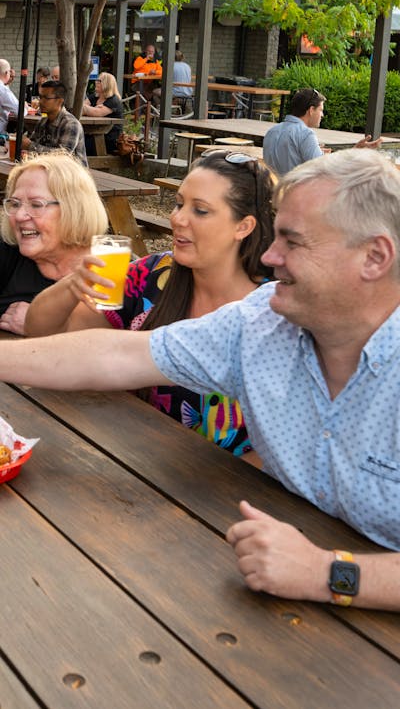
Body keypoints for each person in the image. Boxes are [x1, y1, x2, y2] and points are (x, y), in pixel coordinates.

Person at [3, 148, 400, 610]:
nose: (271, 256)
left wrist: (327, 573)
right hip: (265, 590)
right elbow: (112, 354)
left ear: (374, 257)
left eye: (294, 241)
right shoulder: (262, 322)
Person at [25, 150, 275, 459]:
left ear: (244, 226)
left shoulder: (273, 310)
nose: (178, 219)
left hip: (223, 493)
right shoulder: (151, 273)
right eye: (179, 203)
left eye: (200, 210)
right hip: (127, 462)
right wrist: (71, 286)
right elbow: (46, 336)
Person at [0, 152, 108, 335]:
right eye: (15, 204)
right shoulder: (7, 252)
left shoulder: (115, 267)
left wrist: (39, 325)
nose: (19, 215)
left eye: (35, 205)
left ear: (73, 209)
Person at [263, 87, 380, 176]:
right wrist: (355, 151)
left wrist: (317, 152)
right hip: (298, 200)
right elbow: (325, 171)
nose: (322, 115)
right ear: (311, 110)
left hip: (274, 195)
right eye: (321, 110)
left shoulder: (271, 131)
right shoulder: (306, 134)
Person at [22, 80, 88, 167]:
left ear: (60, 101)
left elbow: (62, 156)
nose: (40, 102)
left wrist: (30, 146)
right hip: (49, 170)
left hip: (72, 175)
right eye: (40, 97)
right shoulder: (43, 121)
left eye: (46, 98)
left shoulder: (71, 124)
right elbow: (32, 144)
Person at [81, 72, 124, 155]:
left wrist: (90, 110)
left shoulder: (113, 100)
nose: (96, 82)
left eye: (99, 81)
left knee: (82, 145)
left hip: (108, 137)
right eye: (97, 80)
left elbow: (96, 113)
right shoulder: (95, 96)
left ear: (107, 84)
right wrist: (91, 109)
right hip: (93, 133)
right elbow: (81, 108)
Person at [0, 58, 23, 136]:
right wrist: (25, 105)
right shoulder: (2, 89)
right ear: (7, 73)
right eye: (10, 74)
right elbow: (20, 111)